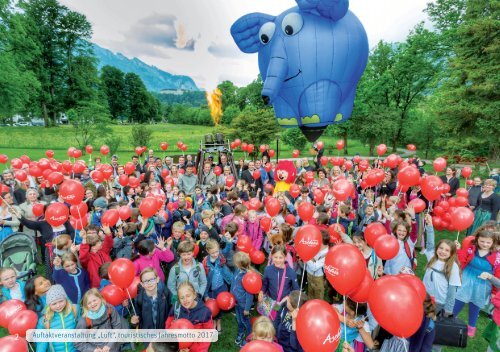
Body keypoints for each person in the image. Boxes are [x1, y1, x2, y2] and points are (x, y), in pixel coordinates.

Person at [453, 229, 499, 337]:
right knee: (459, 299)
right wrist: (459, 250)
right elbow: (462, 259)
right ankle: (450, 318)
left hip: (483, 284)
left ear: (493, 242)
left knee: (476, 304)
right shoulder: (471, 249)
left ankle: (471, 327)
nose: (485, 244)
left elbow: (497, 275)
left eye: (488, 242)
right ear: (477, 239)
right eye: (482, 241)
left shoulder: (496, 257)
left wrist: (494, 291)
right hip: (467, 278)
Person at [422, 214, 461, 315]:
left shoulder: (453, 267)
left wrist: (448, 310)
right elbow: (430, 244)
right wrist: (430, 226)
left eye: (447, 250)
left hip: (439, 302)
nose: (443, 251)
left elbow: (452, 292)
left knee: (430, 322)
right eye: (441, 248)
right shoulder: (432, 257)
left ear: (451, 253)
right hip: (423, 296)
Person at [165, 281, 213, 352]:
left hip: (197, 347)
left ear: (194, 295)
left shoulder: (205, 312)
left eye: (188, 296)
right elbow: (168, 323)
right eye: (182, 297)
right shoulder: (176, 307)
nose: (185, 300)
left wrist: (196, 349)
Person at [258, 245, 299, 321]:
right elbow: (265, 284)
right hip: (270, 301)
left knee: (280, 322)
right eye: (275, 257)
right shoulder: (268, 270)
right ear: (271, 256)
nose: (278, 260)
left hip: (284, 303)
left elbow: (296, 290)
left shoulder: (291, 272)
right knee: (270, 320)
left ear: (285, 257)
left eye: (281, 257)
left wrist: (289, 297)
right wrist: (261, 291)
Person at [35, 285, 78, 352]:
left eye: (61, 301)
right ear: (49, 305)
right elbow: (41, 342)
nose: (58, 305)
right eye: (54, 304)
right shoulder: (44, 320)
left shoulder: (74, 310)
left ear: (65, 299)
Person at [202, 239, 233, 332]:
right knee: (213, 307)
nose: (215, 254)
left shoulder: (220, 259)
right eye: (213, 253)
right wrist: (206, 295)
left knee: (220, 305)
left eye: (217, 251)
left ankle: (218, 322)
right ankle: (214, 321)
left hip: (221, 287)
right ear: (208, 251)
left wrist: (233, 281)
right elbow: (204, 281)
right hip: (211, 290)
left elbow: (227, 272)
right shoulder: (204, 264)